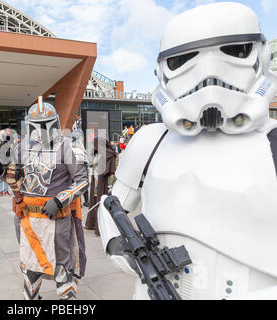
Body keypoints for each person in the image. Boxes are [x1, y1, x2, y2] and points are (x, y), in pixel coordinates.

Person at [98, 2, 277, 299]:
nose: (208, 74)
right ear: (161, 72)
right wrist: (117, 246)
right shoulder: (150, 142)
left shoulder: (271, 143)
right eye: (184, 59)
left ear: (260, 56)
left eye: (234, 52)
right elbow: (112, 205)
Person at [0, 97, 89, 300]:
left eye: (46, 125)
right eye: (37, 125)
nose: (42, 130)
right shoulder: (22, 147)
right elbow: (13, 176)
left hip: (57, 218)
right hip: (26, 217)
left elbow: (82, 181)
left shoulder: (69, 145)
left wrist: (60, 200)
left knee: (61, 264)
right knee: (30, 263)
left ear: (55, 123)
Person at [84, 136, 116, 236]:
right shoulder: (98, 154)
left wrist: (110, 186)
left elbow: (112, 172)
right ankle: (92, 223)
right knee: (94, 201)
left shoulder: (108, 155)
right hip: (96, 180)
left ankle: (101, 227)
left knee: (101, 204)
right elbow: (92, 164)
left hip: (103, 182)